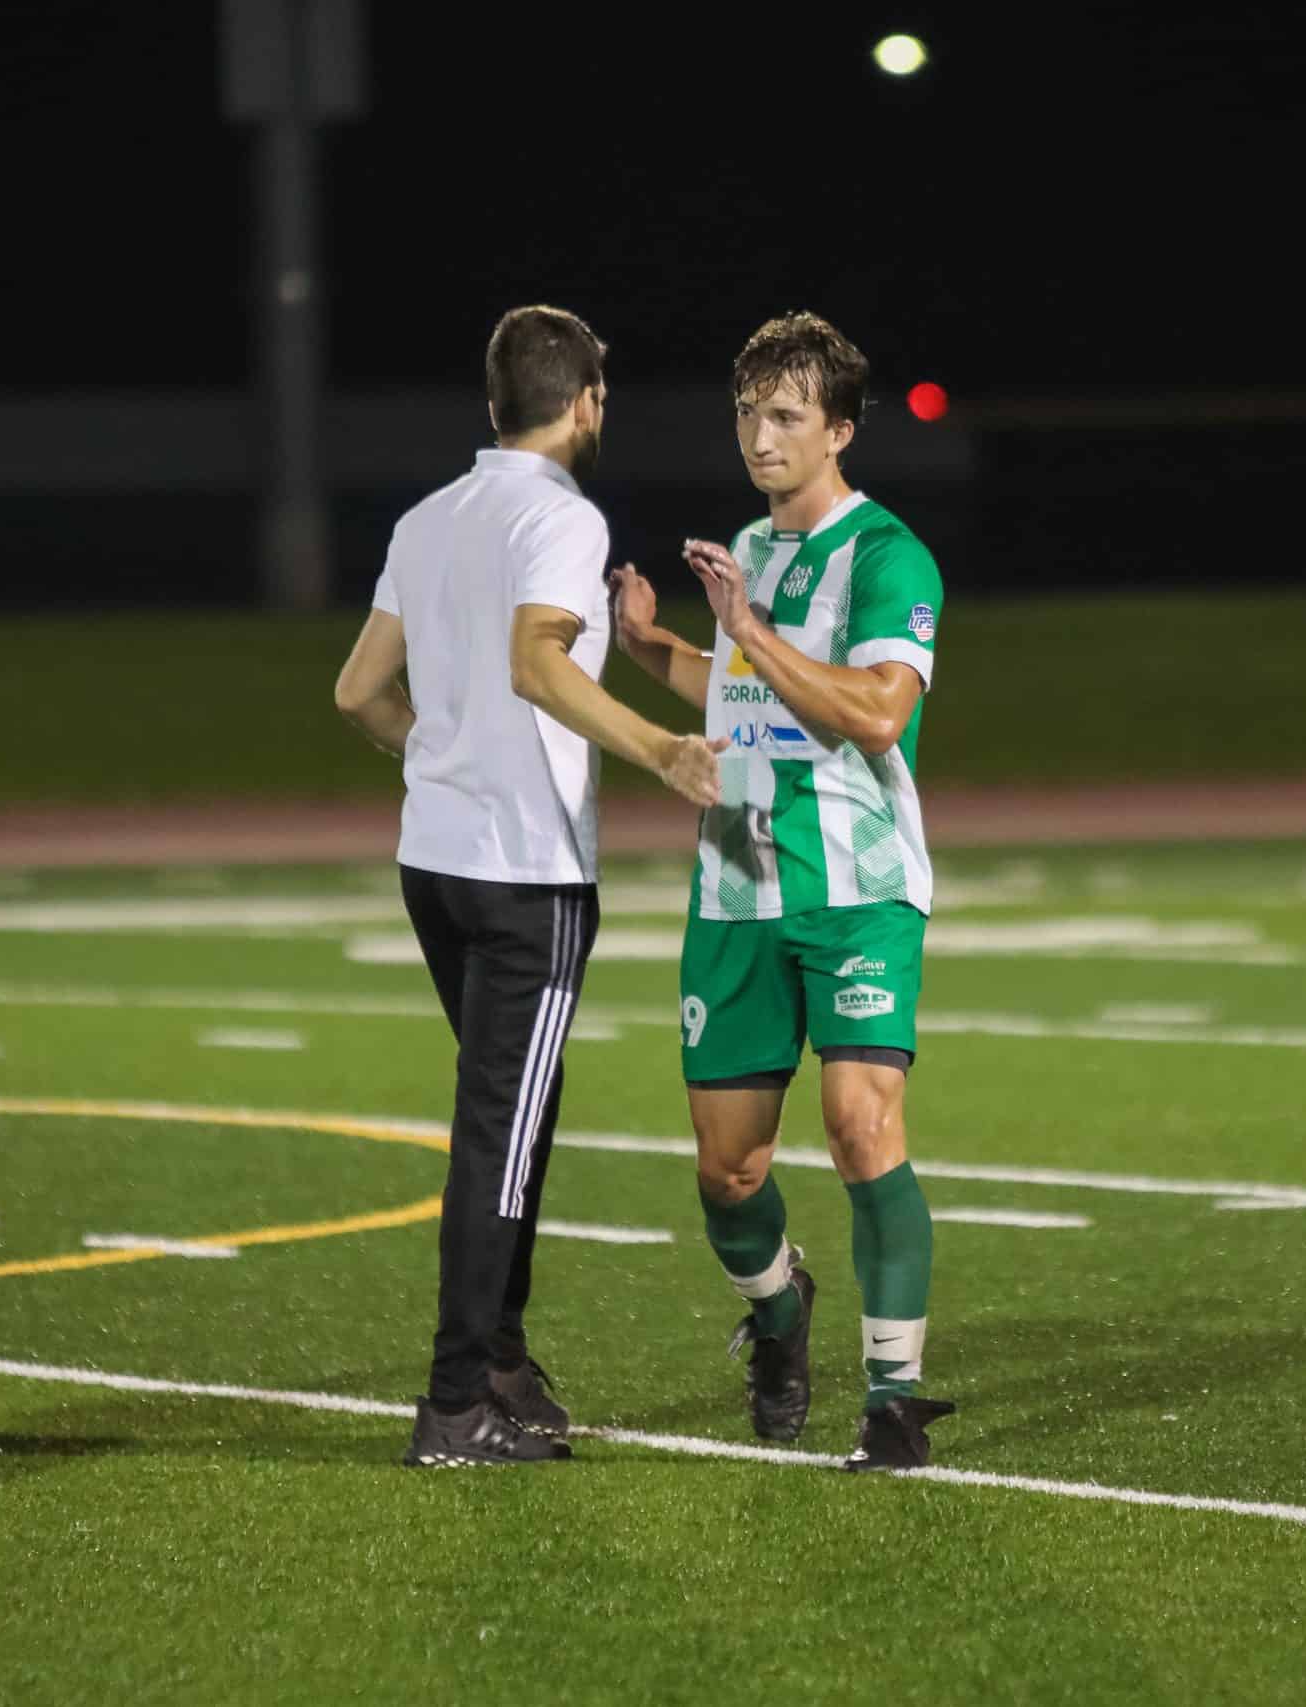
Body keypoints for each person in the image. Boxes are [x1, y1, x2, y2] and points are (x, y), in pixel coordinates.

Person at [336, 306, 727, 1468]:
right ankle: (457, 1400)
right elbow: (536, 661)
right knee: (498, 1128)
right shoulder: (562, 517)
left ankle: (499, 1362)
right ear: (588, 400)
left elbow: (358, 692)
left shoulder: (427, 516)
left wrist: (441, 752)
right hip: (523, 873)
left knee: (513, 1115)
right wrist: (661, 750)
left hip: (435, 863)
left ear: (494, 403)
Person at [607, 312, 955, 1471]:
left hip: (857, 885)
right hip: (736, 884)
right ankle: (776, 1310)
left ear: (840, 429)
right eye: (747, 414)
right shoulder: (748, 551)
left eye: (787, 416)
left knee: (860, 1126)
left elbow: (875, 713)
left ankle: (893, 1401)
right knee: (728, 1171)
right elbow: (741, 686)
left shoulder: (889, 556)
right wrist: (650, 647)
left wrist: (749, 630)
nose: (760, 436)